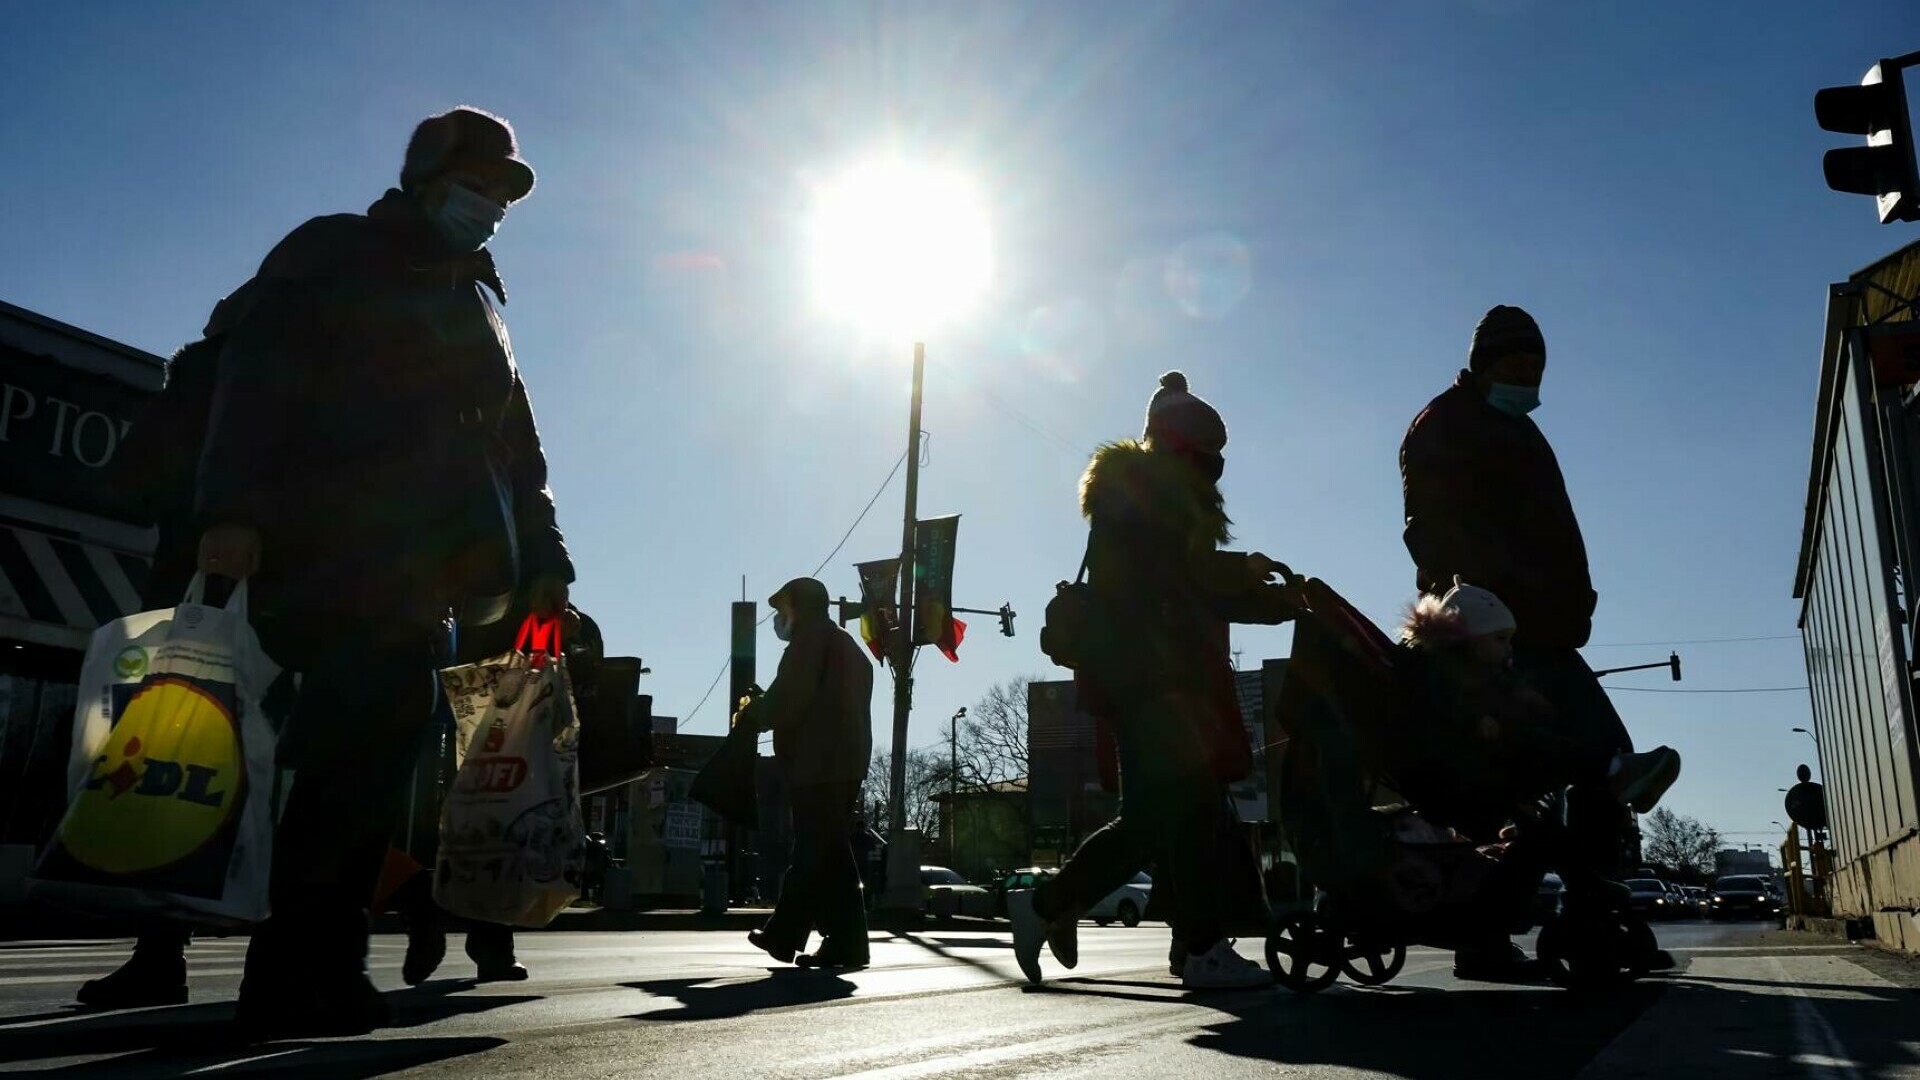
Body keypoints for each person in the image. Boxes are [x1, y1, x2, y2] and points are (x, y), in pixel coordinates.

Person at [193, 106, 575, 1036]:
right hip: (333, 544)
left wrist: (546, 559)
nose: (489, 208)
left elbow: (516, 448)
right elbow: (258, 379)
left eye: (501, 195)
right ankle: (295, 968)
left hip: (426, 572)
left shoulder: (481, 304)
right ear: (428, 178)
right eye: (477, 185)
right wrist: (231, 510)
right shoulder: (336, 252)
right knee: (346, 749)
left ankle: (325, 960)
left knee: (378, 758)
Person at [1400, 304, 1678, 980]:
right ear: (1484, 363)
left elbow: (1552, 526)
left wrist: (1572, 600)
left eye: (1535, 368)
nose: (1528, 379)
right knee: (1570, 761)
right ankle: (1574, 902)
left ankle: (1579, 899)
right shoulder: (1448, 426)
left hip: (1543, 630)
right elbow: (1432, 528)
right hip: (1498, 633)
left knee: (1580, 768)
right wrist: (1475, 612)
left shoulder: (1516, 428)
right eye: (1516, 366)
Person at [1012, 371, 1298, 991]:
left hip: (1161, 683)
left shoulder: (1155, 501)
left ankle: (1057, 909)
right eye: (1204, 458)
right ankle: (1195, 947)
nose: (1212, 471)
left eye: (1218, 462)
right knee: (1182, 814)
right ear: (1172, 449)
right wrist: (1248, 578)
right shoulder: (1140, 502)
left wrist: (1273, 600)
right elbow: (1176, 585)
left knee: (1161, 820)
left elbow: (1192, 591)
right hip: (1152, 682)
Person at [1396, 577, 1680, 839]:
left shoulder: (1476, 673)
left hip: (1470, 774)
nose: (1509, 648)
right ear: (1467, 638)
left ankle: (1590, 856)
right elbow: (1435, 708)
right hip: (1451, 782)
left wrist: (1526, 704)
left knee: (1539, 746)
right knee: (1532, 743)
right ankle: (1614, 769)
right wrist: (1475, 720)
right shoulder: (1434, 668)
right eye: (1499, 639)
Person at [739, 577, 876, 970]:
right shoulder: (846, 645)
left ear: (800, 608)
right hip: (846, 763)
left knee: (813, 851)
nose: (780, 619)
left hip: (818, 763)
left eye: (783, 610)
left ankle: (785, 934)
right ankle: (847, 943)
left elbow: (791, 699)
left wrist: (756, 713)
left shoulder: (810, 642)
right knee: (832, 854)